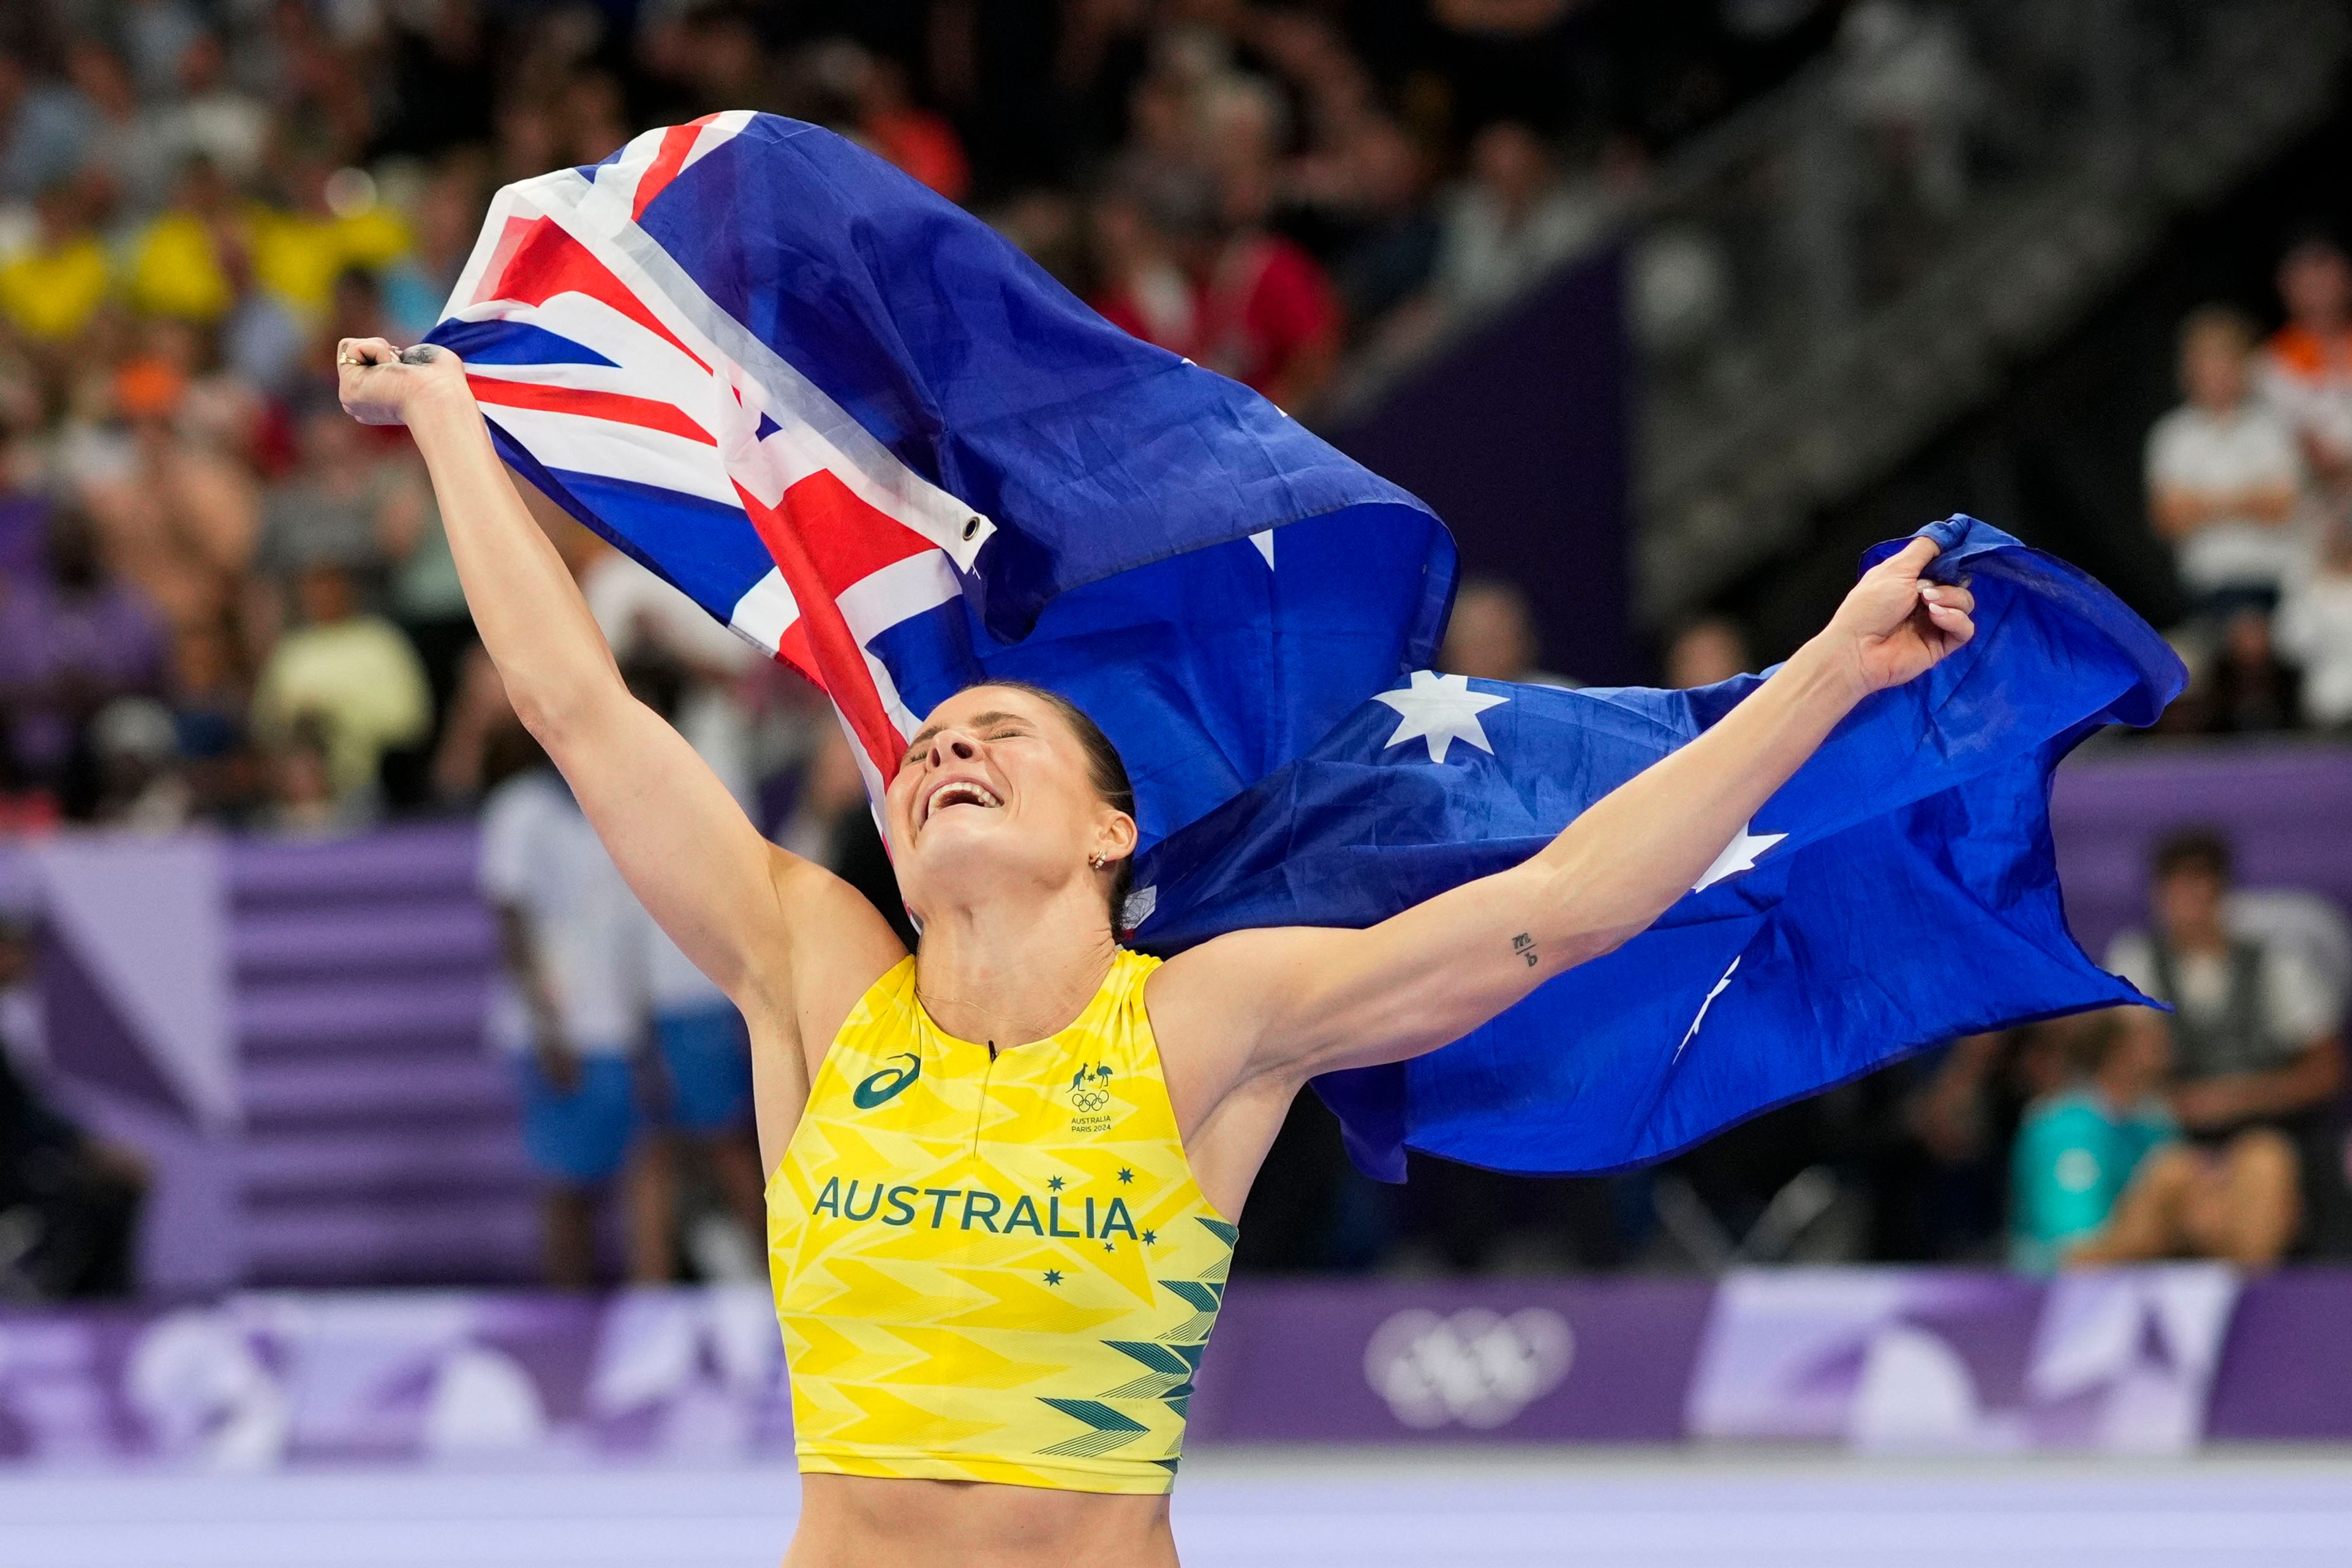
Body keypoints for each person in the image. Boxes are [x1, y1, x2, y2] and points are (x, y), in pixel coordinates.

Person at [339, 334, 1976, 1566]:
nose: (942, 752)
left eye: (996, 739)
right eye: (926, 753)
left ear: (1112, 837)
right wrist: (445, 423)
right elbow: (575, 708)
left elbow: (1565, 907)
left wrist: (1826, 675)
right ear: (895, 841)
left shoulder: (1205, 1025)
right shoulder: (816, 973)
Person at [478, 722, 668, 1289]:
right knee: (568, 1184)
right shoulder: (519, 810)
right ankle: (569, 1316)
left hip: (620, 1020)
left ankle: (648, 1310)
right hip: (562, 1028)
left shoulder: (618, 803)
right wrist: (548, 1029)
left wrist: (644, 1018)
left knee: (648, 1161)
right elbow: (512, 921)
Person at [2105, 828, 2347, 1248]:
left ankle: (2251, 1303)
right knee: (2169, 1174)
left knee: (2262, 1165)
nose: (2191, 904)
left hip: (2271, 1135)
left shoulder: (2276, 963)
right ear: (2159, 896)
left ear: (2222, 892)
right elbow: (2128, 1065)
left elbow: (2326, 1070)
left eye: (2202, 886)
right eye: (2178, 889)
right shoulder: (2136, 960)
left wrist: (2236, 1098)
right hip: (2171, 1139)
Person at [2013, 1009, 2299, 1272]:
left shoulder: (2158, 1121)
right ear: (2118, 1049)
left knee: (2264, 1158)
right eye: (2153, 1037)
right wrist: (2164, 1206)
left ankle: (2259, 1301)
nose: (2168, 1046)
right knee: (2174, 1172)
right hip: (2059, 1286)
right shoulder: (2064, 1126)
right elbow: (2073, 1253)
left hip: (2154, 1272)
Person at [2146, 306, 2307, 619]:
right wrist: (2249, 499)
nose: (2218, 373)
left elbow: (2284, 505)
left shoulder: (2273, 425)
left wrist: (2205, 504)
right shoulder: (2172, 437)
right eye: (2208, 362)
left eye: (2227, 360)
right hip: (2212, 588)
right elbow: (2169, 518)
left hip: (2285, 580)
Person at [2258, 236, 2352, 501]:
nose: (2320, 291)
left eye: (2327, 277)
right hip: (2317, 506)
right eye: (2307, 282)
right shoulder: (2271, 364)